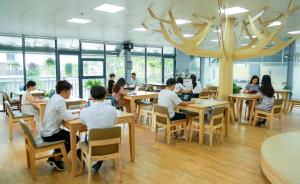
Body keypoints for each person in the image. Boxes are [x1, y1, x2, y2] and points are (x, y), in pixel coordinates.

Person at [40, 80, 78, 171]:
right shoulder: (60, 100)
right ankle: (55, 159)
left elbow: (62, 112)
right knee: (74, 138)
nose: (70, 94)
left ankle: (54, 157)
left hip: (46, 131)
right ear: (63, 91)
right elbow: (66, 117)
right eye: (69, 91)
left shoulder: (54, 97)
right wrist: (77, 115)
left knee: (70, 137)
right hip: (51, 134)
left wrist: (73, 112)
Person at [79, 86, 118, 171]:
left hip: (93, 145)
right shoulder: (113, 109)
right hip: (111, 145)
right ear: (105, 96)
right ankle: (99, 161)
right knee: (102, 135)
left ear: (91, 97)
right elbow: (114, 123)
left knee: (82, 139)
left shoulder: (85, 111)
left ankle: (84, 160)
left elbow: (82, 123)